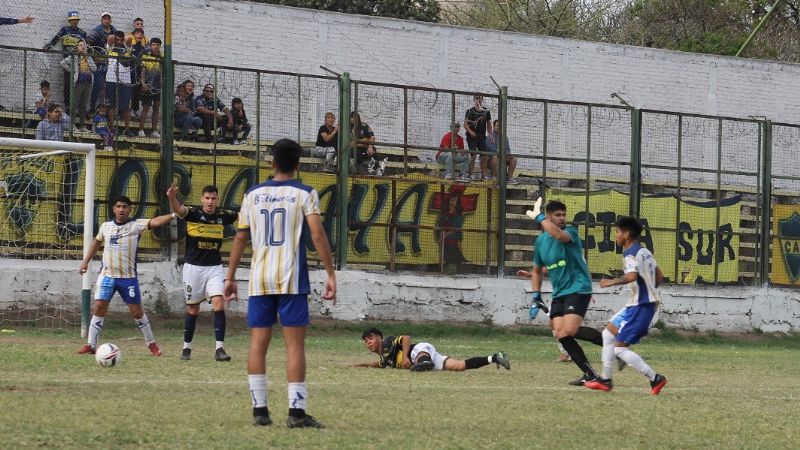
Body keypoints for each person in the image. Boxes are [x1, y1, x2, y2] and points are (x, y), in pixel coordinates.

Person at [224, 138, 337, 428]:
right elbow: (318, 235)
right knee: (294, 346)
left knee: (258, 343)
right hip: (291, 280)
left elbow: (240, 237)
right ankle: (296, 413)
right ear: (298, 164)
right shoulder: (305, 193)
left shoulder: (253, 193)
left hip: (260, 279)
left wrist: (230, 276)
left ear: (271, 162)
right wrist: (330, 273)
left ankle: (259, 411)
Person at [77, 195, 176, 356]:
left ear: (130, 209)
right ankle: (91, 345)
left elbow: (155, 221)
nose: (121, 209)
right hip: (107, 276)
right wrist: (85, 262)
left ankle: (151, 344)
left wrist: (173, 215)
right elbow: (96, 242)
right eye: (118, 206)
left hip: (128, 278)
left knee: (137, 312)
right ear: (114, 209)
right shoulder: (105, 226)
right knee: (99, 307)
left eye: (124, 207)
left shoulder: (135, 226)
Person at [584, 216, 668, 394]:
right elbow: (660, 276)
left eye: (618, 232)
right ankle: (605, 380)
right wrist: (650, 288)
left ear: (627, 234)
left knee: (620, 349)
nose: (616, 236)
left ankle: (655, 378)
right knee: (607, 334)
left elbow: (631, 276)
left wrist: (610, 282)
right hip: (637, 304)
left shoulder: (630, 253)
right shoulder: (645, 252)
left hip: (641, 307)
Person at [528, 197, 600, 385]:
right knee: (560, 331)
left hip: (578, 287)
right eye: (557, 215)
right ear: (550, 218)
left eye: (563, 215)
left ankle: (613, 344)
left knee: (569, 329)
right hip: (560, 292)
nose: (562, 218)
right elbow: (537, 270)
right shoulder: (541, 242)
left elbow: (559, 235)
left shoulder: (570, 232)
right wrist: (536, 295)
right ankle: (590, 374)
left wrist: (539, 218)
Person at [167, 185, 238, 362]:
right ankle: (186, 348)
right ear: (202, 199)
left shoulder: (224, 216)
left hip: (214, 268)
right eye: (207, 198)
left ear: (217, 200)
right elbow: (178, 209)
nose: (210, 202)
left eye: (213, 198)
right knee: (193, 309)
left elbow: (243, 215)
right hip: (193, 268)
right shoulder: (193, 213)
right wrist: (171, 197)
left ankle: (220, 349)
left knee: (219, 304)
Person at [356, 327, 510, 371]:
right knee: (460, 366)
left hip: (420, 350)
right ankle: (496, 357)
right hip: (426, 357)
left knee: (419, 356)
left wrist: (405, 358)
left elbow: (406, 338)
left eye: (371, 338)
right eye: (366, 340)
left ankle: (424, 362)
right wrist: (358, 365)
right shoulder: (385, 359)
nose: (368, 342)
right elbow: (378, 364)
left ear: (380, 338)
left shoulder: (388, 343)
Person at [44, 11, 87, 109]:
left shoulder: (82, 33)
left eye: (76, 20)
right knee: (67, 84)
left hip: (79, 62)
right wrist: (48, 46)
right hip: (67, 62)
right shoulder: (65, 30)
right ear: (69, 21)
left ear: (78, 21)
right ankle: (68, 105)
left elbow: (85, 47)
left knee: (78, 84)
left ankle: (77, 106)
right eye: (72, 20)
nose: (74, 22)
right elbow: (56, 39)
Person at [59, 40, 96, 132]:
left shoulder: (88, 58)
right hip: (78, 83)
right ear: (77, 47)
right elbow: (62, 62)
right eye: (80, 45)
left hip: (87, 83)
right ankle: (71, 125)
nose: (82, 47)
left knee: (83, 105)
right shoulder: (74, 57)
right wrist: (72, 71)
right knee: (74, 105)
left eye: (84, 46)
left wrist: (86, 57)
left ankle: (82, 125)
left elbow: (94, 68)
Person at [105, 31, 135, 137]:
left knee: (126, 107)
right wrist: (116, 37)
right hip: (111, 79)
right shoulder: (110, 48)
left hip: (125, 81)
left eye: (120, 40)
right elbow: (110, 38)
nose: (118, 41)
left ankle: (127, 128)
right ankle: (112, 127)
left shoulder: (127, 49)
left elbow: (129, 39)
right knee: (112, 105)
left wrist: (123, 40)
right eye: (117, 40)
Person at [87, 12, 116, 110]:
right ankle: (92, 107)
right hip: (99, 63)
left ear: (111, 20)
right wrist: (93, 57)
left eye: (108, 19)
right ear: (101, 20)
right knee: (98, 85)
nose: (106, 20)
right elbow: (87, 44)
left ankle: (106, 110)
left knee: (109, 87)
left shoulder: (114, 31)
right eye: (104, 18)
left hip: (110, 64)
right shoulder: (96, 31)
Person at [138, 38, 162, 138]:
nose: (155, 47)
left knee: (156, 108)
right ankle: (141, 130)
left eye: (157, 45)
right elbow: (143, 71)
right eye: (153, 44)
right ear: (150, 45)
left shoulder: (162, 57)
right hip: (147, 86)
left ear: (160, 46)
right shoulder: (145, 56)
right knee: (146, 108)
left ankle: (154, 131)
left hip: (158, 87)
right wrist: (143, 83)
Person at [463, 95, 491, 180]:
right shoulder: (470, 111)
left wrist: (491, 134)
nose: (478, 100)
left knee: (484, 156)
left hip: (482, 136)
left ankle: (483, 175)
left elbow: (488, 124)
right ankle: (470, 174)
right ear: (474, 100)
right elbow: (465, 124)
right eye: (476, 98)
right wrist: (470, 131)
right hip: (472, 136)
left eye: (480, 98)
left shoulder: (486, 111)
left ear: (482, 99)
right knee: (473, 154)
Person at [350, 111, 384, 176]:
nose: (354, 119)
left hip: (366, 147)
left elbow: (372, 137)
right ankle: (359, 168)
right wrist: (364, 141)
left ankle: (377, 168)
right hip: (353, 149)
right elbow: (350, 144)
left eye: (356, 117)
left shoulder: (364, 126)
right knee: (357, 152)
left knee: (373, 151)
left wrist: (370, 146)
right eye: (352, 118)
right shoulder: (348, 128)